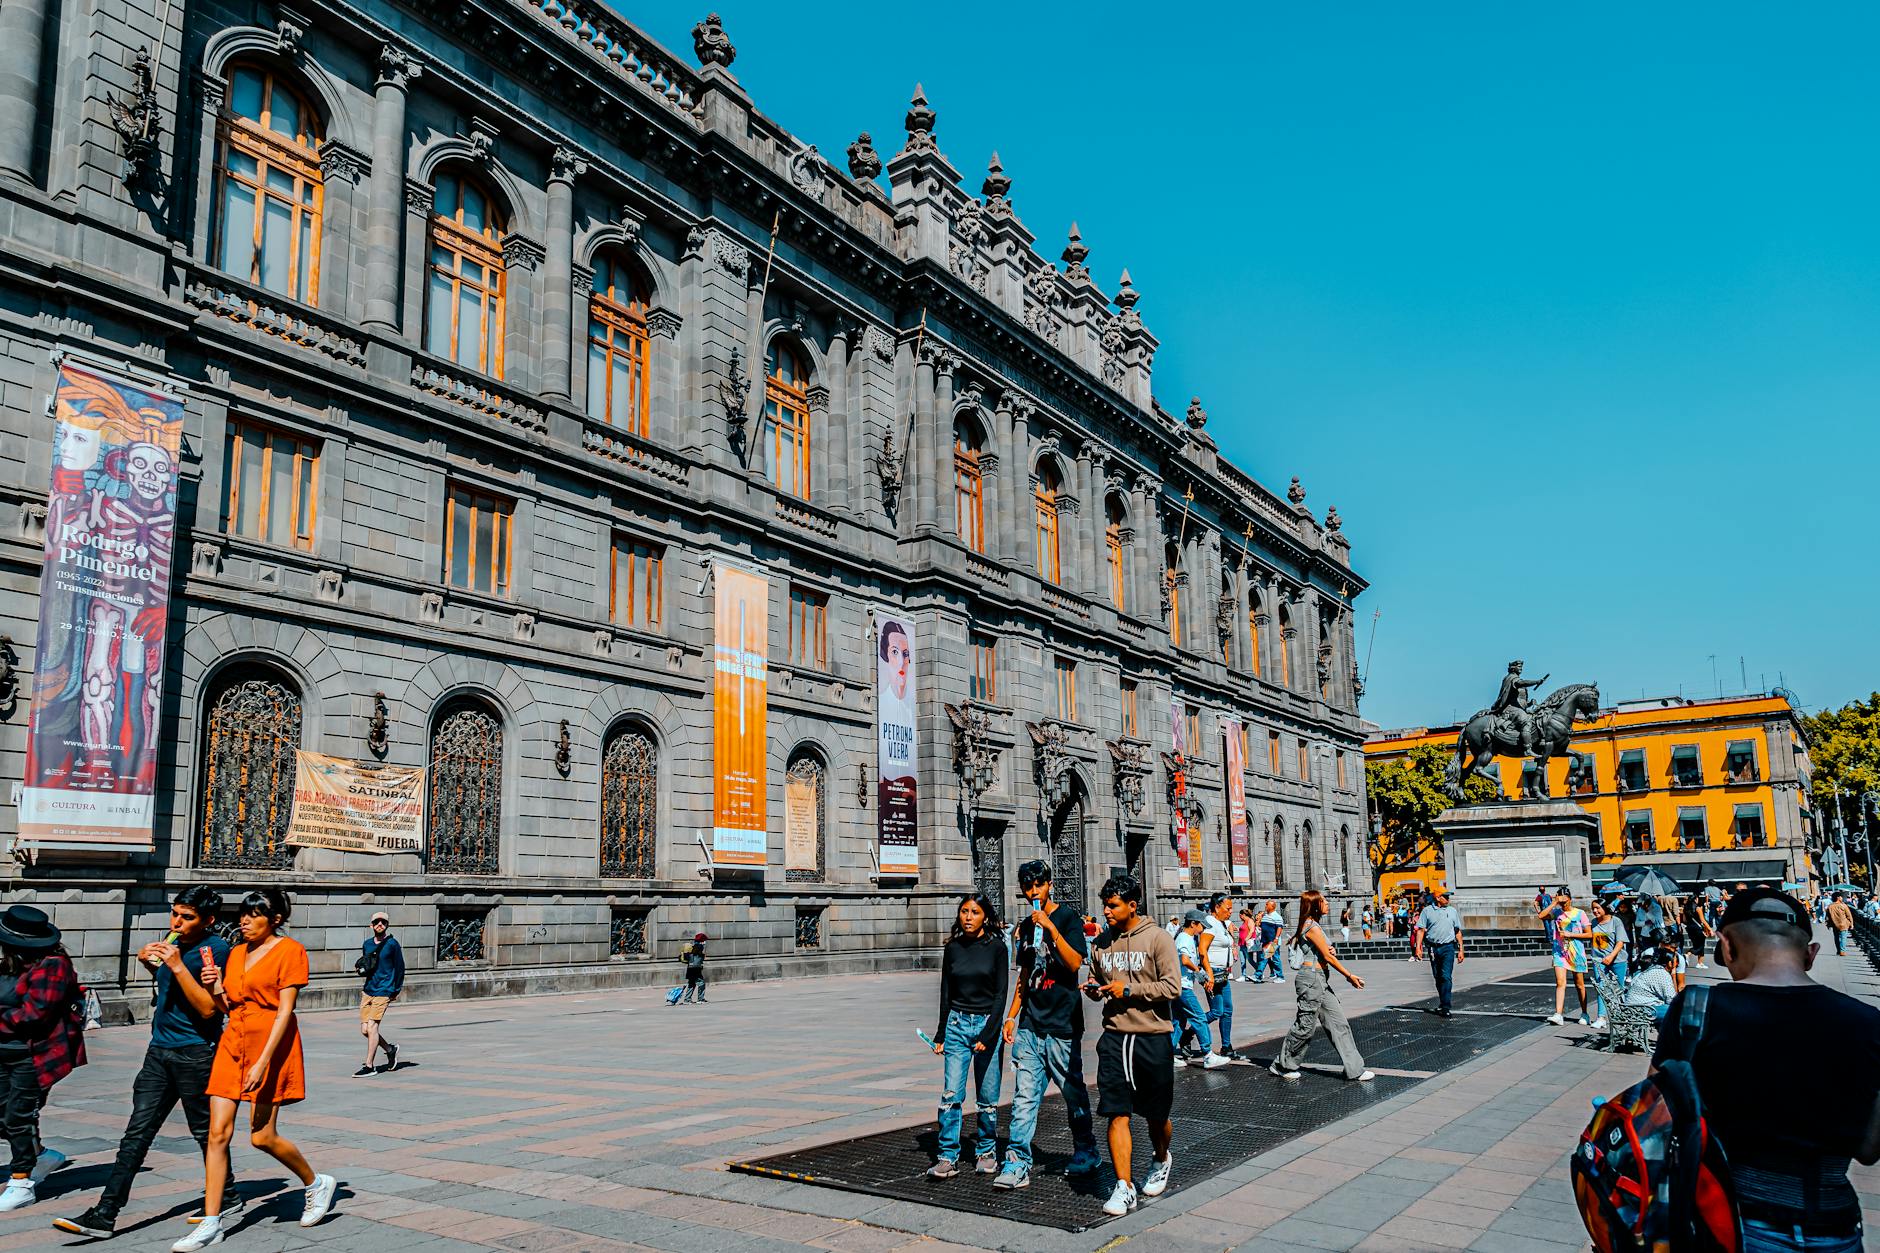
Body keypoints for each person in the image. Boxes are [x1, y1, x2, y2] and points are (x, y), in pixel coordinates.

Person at [1652, 888, 1880, 1252]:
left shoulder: (1697, 1010)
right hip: (1834, 1224)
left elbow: (1656, 1116)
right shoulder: (1869, 1023)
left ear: (1727, 947)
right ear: (1811, 954)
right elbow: (1868, 1148)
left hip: (1731, 1221)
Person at [55, 888, 237, 1239]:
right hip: (159, 1051)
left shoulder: (214, 950)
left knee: (205, 1133)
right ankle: (105, 1214)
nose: (177, 922)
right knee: (137, 1133)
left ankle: (226, 1194)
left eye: (187, 917)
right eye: (175, 914)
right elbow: (170, 987)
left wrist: (177, 965)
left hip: (196, 1053)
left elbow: (207, 1009)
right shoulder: (175, 944)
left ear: (208, 920)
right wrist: (149, 963)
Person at [177, 888, 335, 1252]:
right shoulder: (236, 953)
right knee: (217, 1134)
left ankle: (315, 1183)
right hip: (233, 1041)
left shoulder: (290, 951)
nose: (244, 921)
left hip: (270, 1046)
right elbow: (227, 1006)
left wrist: (263, 1061)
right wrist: (214, 987)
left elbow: (285, 1012)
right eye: (242, 915)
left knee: (261, 1137)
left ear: (275, 920)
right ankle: (211, 1223)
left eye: (253, 915)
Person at [995, 860, 1099, 1189]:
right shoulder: (1026, 928)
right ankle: (1017, 1162)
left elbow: (1074, 963)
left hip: (1063, 1025)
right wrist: (1011, 1015)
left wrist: (1052, 930)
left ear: (1049, 885)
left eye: (1038, 885)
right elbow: (1025, 976)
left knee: (1073, 1094)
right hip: (1031, 1025)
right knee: (1024, 1097)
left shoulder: (1068, 918)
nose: (1034, 892)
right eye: (1028, 887)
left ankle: (1086, 1150)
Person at [1085, 873, 1180, 1217]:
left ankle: (1161, 1157)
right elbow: (1098, 978)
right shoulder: (1101, 943)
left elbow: (1172, 987)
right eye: (1105, 905)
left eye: (1113, 906)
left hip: (1152, 1037)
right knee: (1116, 1111)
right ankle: (1124, 1186)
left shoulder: (1158, 939)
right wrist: (1095, 988)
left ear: (1132, 905)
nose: (1106, 912)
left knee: (1157, 1115)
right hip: (1114, 1036)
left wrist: (1129, 989)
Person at [0, 906, 85, 1214]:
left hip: (34, 1056)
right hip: (4, 1051)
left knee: (17, 1116)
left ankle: (21, 1182)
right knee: (3, 1116)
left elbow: (34, 1014)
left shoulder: (53, 966)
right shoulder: (12, 962)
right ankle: (43, 1156)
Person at [927, 893, 1007, 1179]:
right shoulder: (953, 948)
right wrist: (941, 1033)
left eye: (974, 912)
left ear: (985, 916)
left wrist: (989, 1032)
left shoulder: (997, 948)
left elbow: (1001, 994)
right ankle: (947, 1156)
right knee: (951, 1095)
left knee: (987, 1097)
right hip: (957, 1025)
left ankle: (986, 1151)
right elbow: (946, 992)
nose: (968, 917)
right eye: (964, 912)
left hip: (987, 1026)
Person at [1270, 890, 1373, 1083]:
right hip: (1311, 980)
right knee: (1305, 1026)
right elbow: (1327, 957)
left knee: (1338, 1023)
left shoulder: (1314, 925)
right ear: (1315, 905)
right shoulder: (1311, 926)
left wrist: (1329, 950)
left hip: (1320, 980)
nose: (1327, 904)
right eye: (1323, 901)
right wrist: (1349, 975)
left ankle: (1354, 1069)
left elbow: (1324, 952)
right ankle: (1282, 1065)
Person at [355, 912, 403, 1076]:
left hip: (384, 989)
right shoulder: (367, 944)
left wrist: (395, 990)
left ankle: (369, 1066)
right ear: (372, 925)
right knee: (365, 1030)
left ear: (387, 925)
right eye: (377, 922)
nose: (380, 924)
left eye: (383, 922)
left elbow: (400, 968)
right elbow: (368, 964)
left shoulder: (392, 944)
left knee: (372, 1027)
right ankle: (390, 1049)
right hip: (368, 989)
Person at [1171, 911, 1221, 1067]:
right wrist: (1199, 972)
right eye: (1202, 926)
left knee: (1178, 1021)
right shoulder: (1185, 938)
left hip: (1178, 985)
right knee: (1199, 1017)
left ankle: (1167, 1055)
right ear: (1193, 923)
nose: (1203, 929)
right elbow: (1185, 960)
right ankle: (1208, 1055)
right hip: (1183, 987)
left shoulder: (1185, 938)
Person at [1196, 893, 1240, 1060]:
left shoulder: (1221, 923)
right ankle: (1189, 1032)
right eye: (1228, 908)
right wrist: (1209, 974)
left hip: (1222, 973)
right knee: (1217, 1011)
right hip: (1213, 973)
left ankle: (1226, 1046)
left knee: (1227, 1010)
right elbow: (1202, 950)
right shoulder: (1210, 924)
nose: (1230, 912)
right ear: (1217, 907)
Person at [1538, 887, 1591, 1025]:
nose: (1563, 903)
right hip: (1559, 951)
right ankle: (1558, 1014)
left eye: (1565, 900)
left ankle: (1585, 1013)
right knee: (1560, 982)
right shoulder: (1557, 912)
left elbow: (1589, 934)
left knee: (1579, 984)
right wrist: (1554, 903)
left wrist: (1570, 934)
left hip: (1576, 951)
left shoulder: (1580, 913)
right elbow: (1541, 916)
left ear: (1570, 899)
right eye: (1561, 900)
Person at [1413, 887, 1464, 1016]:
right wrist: (1418, 948)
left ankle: (1446, 1006)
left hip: (1448, 947)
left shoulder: (1452, 911)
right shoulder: (1427, 911)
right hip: (1433, 948)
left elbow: (1457, 931)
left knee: (1446, 976)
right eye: (1445, 896)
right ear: (1437, 898)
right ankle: (1443, 1002)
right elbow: (1421, 930)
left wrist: (1461, 950)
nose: (1448, 899)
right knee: (1438, 976)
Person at [1586, 896, 1630, 1030]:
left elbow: (1620, 942)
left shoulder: (1615, 921)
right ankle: (1601, 1017)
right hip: (1599, 959)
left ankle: (1622, 1015)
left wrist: (1611, 956)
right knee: (1601, 987)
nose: (1595, 911)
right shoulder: (1594, 922)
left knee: (1618, 988)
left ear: (1604, 908)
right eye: (1593, 908)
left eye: (1597, 908)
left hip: (1617, 959)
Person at [1622, 945, 1677, 1022]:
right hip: (1641, 1010)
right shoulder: (1662, 974)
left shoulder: (1653, 969)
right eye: (1676, 961)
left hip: (1634, 1007)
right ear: (1670, 963)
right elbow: (1671, 999)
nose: (1677, 963)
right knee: (1677, 1011)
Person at [1255, 899, 1286, 984]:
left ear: (1272, 906)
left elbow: (1279, 927)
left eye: (1267, 904)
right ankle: (1258, 976)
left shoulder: (1277, 916)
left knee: (1274, 959)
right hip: (1265, 941)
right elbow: (1262, 926)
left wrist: (1276, 938)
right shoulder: (1265, 916)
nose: (1265, 906)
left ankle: (1280, 977)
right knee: (1264, 958)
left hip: (1272, 942)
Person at [1682, 895, 1713, 970]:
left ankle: (1700, 963)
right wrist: (1710, 929)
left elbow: (1684, 920)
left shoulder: (1685, 908)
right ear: (1695, 899)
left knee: (1698, 944)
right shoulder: (1698, 908)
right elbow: (1703, 920)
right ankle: (1687, 954)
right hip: (1698, 928)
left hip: (1690, 928)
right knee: (1700, 946)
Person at [677, 932, 708, 1004]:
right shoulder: (699, 946)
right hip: (695, 969)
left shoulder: (692, 946)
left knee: (691, 984)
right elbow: (698, 956)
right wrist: (702, 955)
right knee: (701, 983)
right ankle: (700, 999)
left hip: (690, 968)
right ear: (702, 940)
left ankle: (687, 1000)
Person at [1826, 891, 1854, 957]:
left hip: (1835, 924)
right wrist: (1851, 924)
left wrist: (1828, 924)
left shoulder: (1830, 906)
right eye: (1841, 897)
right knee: (1843, 938)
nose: (1842, 898)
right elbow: (1849, 915)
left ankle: (1838, 950)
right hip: (1843, 924)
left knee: (1836, 938)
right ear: (1838, 897)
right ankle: (1842, 951)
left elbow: (1828, 917)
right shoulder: (1843, 905)